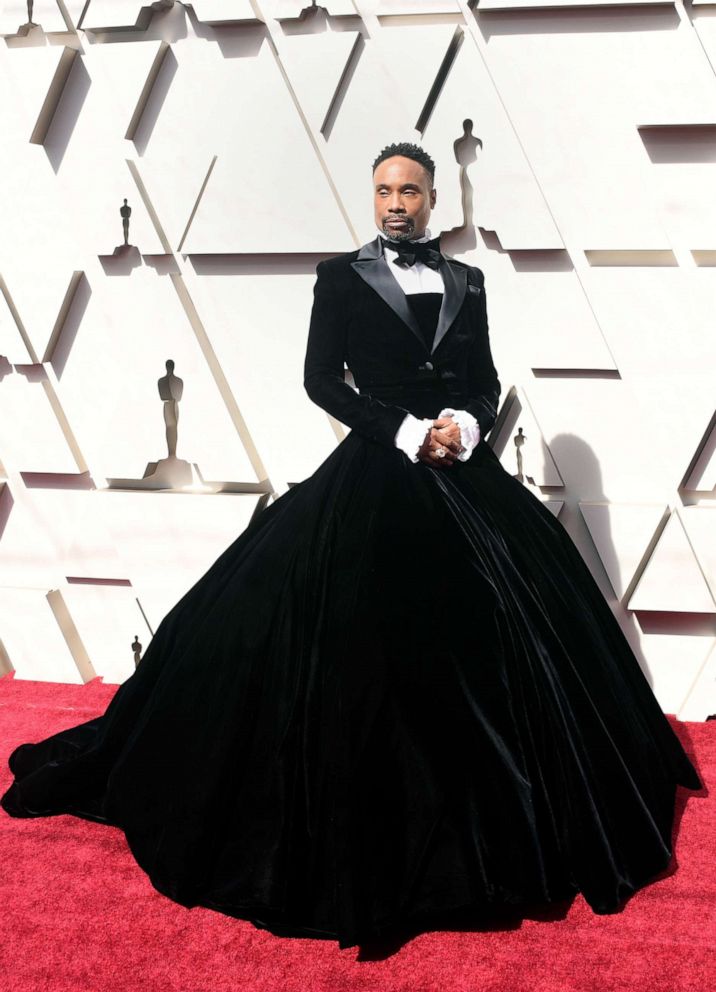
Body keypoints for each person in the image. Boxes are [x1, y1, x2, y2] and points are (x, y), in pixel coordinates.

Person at [1, 142, 702, 951]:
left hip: (464, 470)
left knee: (509, 639)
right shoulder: (340, 279)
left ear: (434, 198)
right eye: (382, 191)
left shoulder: (468, 282)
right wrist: (405, 431)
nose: (395, 202)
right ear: (372, 200)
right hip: (378, 464)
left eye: (409, 189)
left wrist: (466, 424)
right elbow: (320, 380)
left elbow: (482, 377)